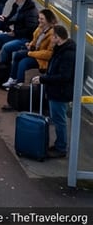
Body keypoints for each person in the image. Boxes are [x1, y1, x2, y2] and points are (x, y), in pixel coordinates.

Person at [34, 24, 75, 158]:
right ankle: (59, 144)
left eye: (52, 36)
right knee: (58, 119)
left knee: (59, 120)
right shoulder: (62, 49)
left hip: (60, 92)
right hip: (57, 90)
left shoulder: (67, 54)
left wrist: (43, 79)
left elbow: (64, 76)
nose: (50, 38)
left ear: (58, 37)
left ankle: (61, 147)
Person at [1, 7, 55, 90]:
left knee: (23, 62)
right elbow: (34, 41)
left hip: (42, 60)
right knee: (17, 55)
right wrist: (30, 45)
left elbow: (49, 54)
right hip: (35, 54)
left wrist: (30, 53)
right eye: (39, 18)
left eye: (42, 19)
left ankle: (19, 84)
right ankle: (13, 79)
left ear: (48, 20)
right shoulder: (39, 29)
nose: (39, 20)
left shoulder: (52, 34)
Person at [0, 0, 40, 65]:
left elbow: (31, 29)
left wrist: (15, 33)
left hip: (25, 38)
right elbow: (12, 18)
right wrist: (5, 19)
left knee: (6, 46)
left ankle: (2, 65)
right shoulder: (16, 6)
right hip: (17, 34)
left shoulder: (31, 11)